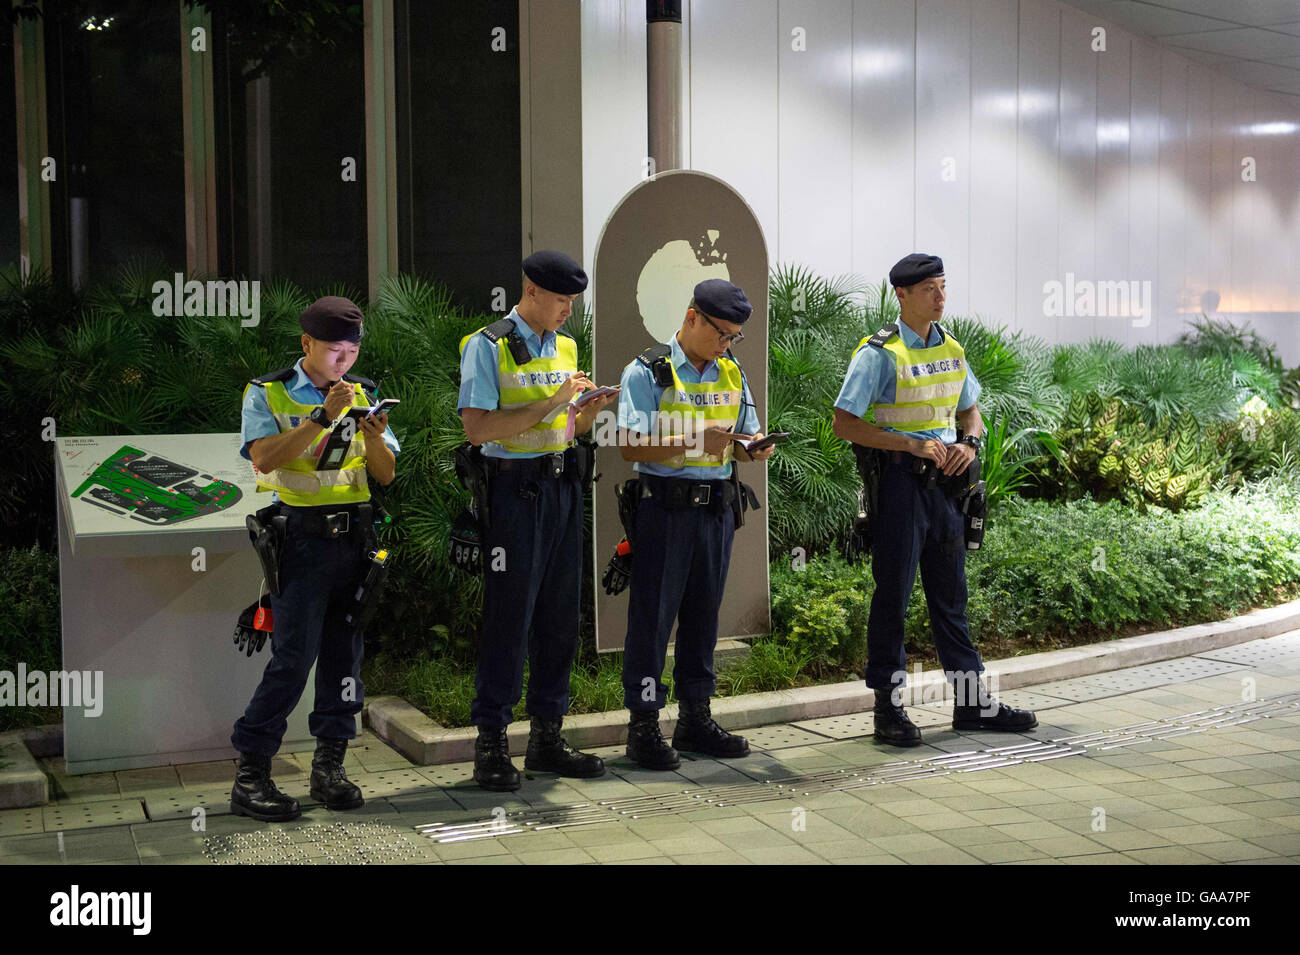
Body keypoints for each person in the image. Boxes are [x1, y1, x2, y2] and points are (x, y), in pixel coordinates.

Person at [832, 253, 1036, 746]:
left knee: (951, 600)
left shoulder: (950, 347)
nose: (941, 297)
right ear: (901, 295)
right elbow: (844, 423)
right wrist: (908, 443)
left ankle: (971, 705)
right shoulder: (878, 353)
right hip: (899, 485)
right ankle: (888, 709)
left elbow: (971, 412)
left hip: (946, 488)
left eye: (943, 287)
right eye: (929, 290)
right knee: (893, 598)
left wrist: (969, 444)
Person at [231, 296, 400, 821]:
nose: (343, 362)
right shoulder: (269, 392)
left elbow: (387, 474)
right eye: (333, 351)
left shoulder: (365, 393)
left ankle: (331, 766)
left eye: (351, 351)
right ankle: (251, 774)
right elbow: (263, 458)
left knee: (344, 656)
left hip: (357, 538)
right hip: (301, 539)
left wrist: (373, 438)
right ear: (307, 345)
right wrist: (320, 418)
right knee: (292, 659)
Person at [458, 250, 618, 791]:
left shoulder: (564, 345)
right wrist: (552, 404)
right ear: (530, 291)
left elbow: (561, 426)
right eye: (561, 300)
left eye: (573, 300)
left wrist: (584, 415)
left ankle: (547, 737)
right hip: (513, 493)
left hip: (562, 486)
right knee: (510, 618)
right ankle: (492, 744)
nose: (569, 311)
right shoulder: (488, 344)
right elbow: (477, 428)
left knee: (558, 617)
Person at [616, 278, 775, 770]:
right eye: (721, 332)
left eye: (733, 337)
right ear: (691, 318)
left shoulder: (731, 372)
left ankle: (695, 718)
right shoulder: (647, 373)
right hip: (664, 510)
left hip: (717, 510)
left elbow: (742, 432)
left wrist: (752, 447)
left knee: (704, 617)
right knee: (653, 621)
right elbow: (628, 444)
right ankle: (643, 726)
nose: (726, 344)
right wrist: (693, 442)